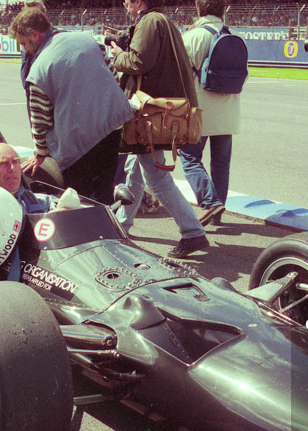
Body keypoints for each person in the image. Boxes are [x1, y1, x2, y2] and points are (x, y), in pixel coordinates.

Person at [110, 0, 209, 259]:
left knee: (155, 176)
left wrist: (117, 55)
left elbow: (139, 60)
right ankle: (122, 223)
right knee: (137, 168)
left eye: (128, 0)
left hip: (150, 113)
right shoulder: (162, 21)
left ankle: (192, 231)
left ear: (140, 2)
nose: (125, 4)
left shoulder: (150, 21)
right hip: (158, 111)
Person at [9, 7, 132, 205]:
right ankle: (107, 230)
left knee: (78, 199)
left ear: (34, 35)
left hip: (79, 142)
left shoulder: (39, 69)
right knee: (104, 192)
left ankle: (88, 233)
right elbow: (112, 76)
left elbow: (40, 120)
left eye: (23, 43)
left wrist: (40, 153)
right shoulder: (88, 39)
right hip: (111, 126)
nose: (25, 48)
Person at [178, 0, 242, 227]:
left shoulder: (193, 36)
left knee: (189, 157)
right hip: (228, 112)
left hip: (200, 111)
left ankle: (209, 201)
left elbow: (181, 76)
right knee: (221, 164)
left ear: (199, 9)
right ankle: (217, 214)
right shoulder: (234, 36)